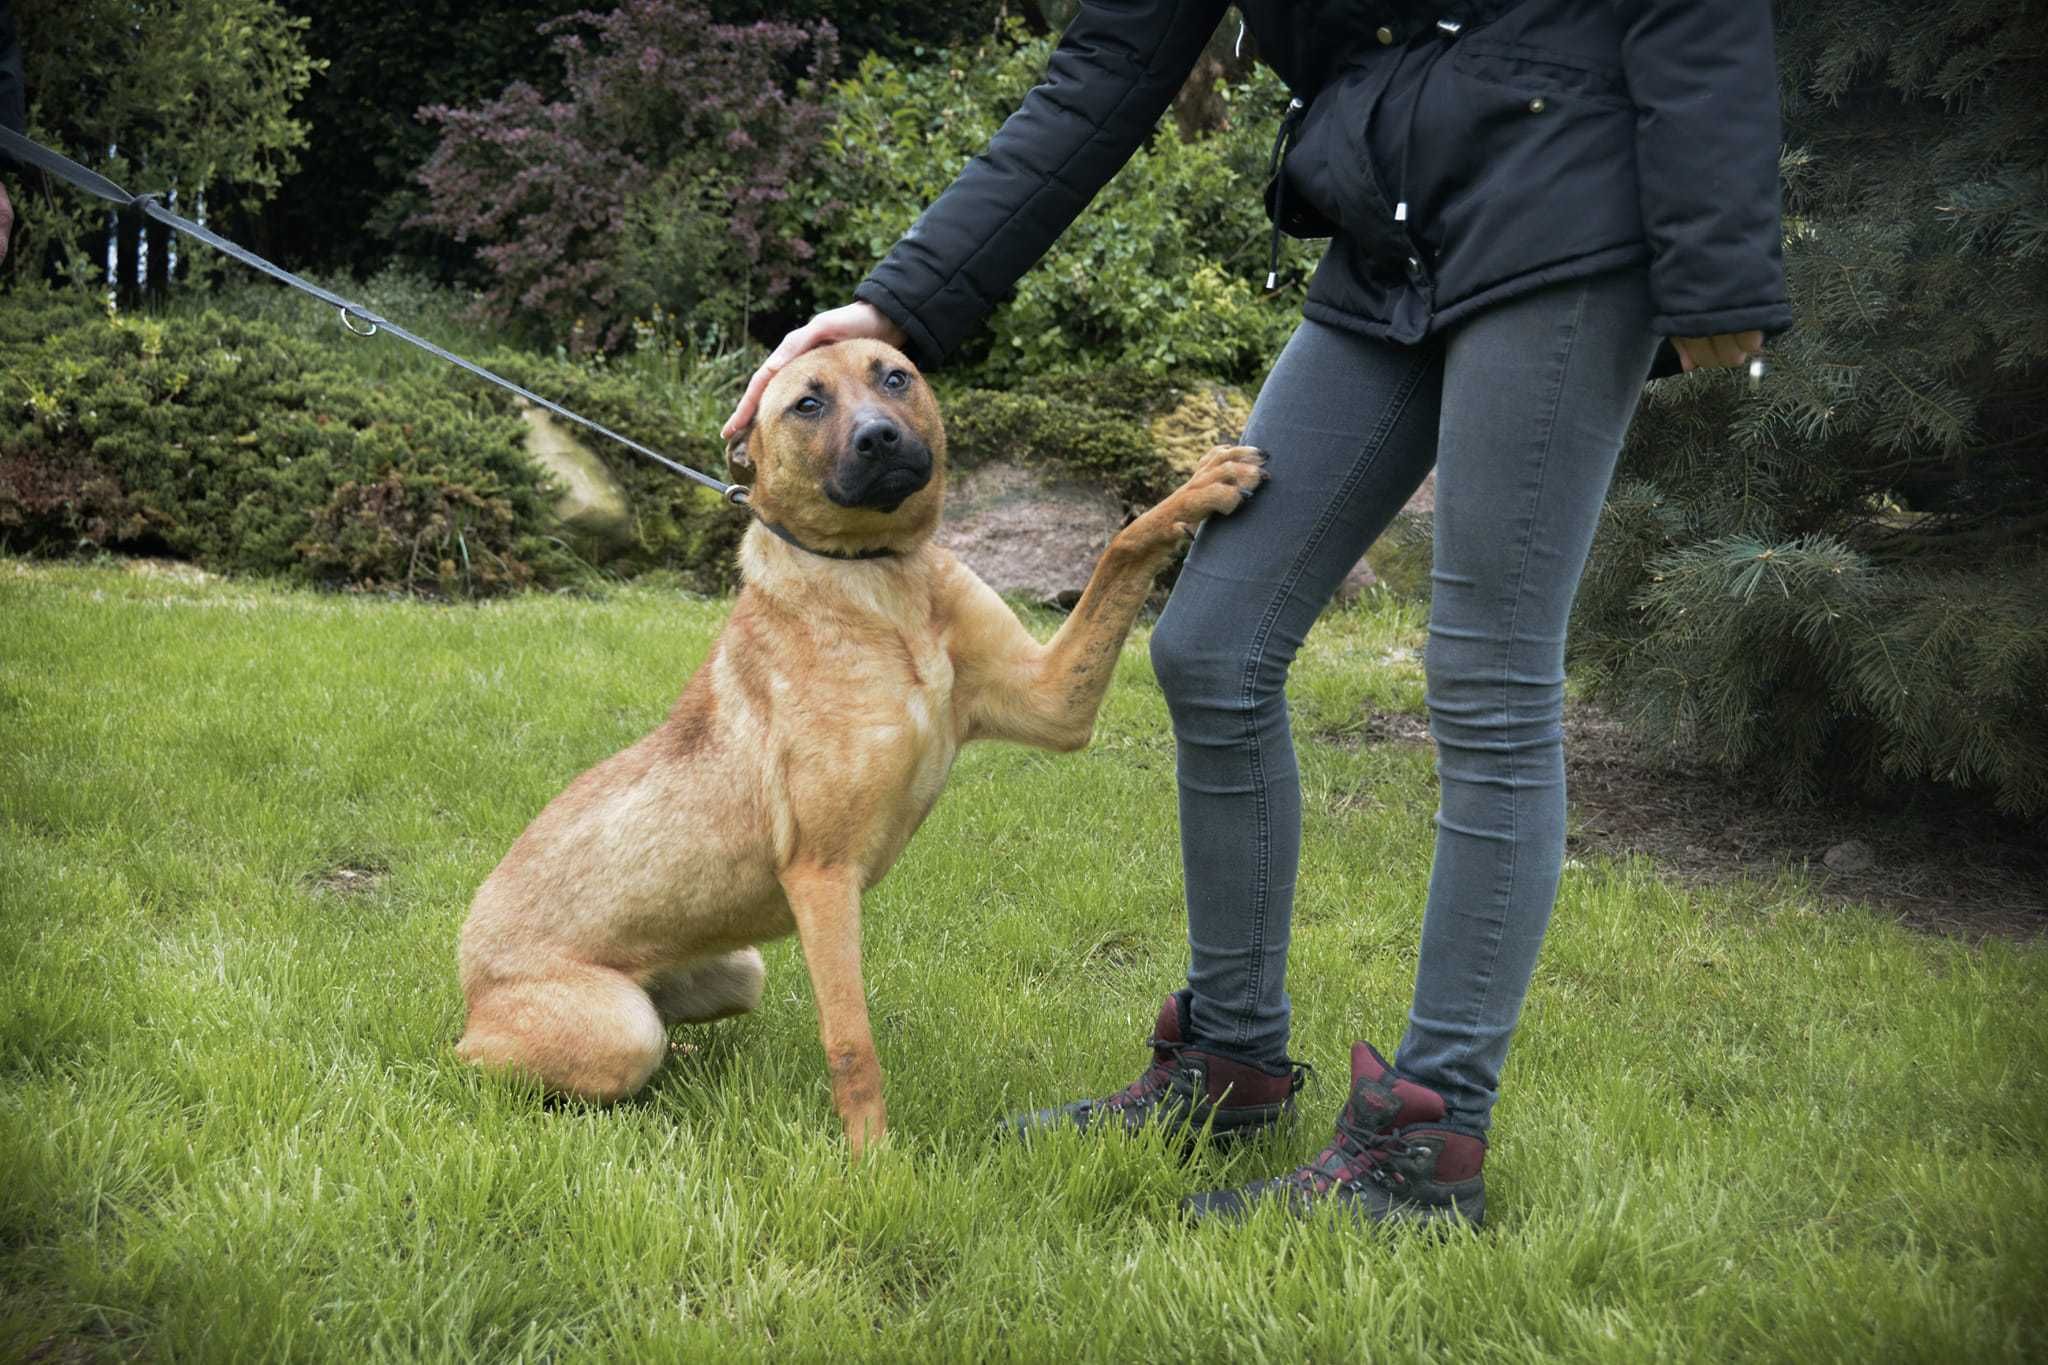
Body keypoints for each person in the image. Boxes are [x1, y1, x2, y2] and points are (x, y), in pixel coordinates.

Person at [722, 0, 1790, 1227]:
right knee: (1212, 645)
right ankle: (1228, 1063)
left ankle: (1420, 1153)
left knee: (1487, 679)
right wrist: (895, 307)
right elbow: (1108, 67)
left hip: (1564, 196)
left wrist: (1716, 265)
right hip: (1391, 230)